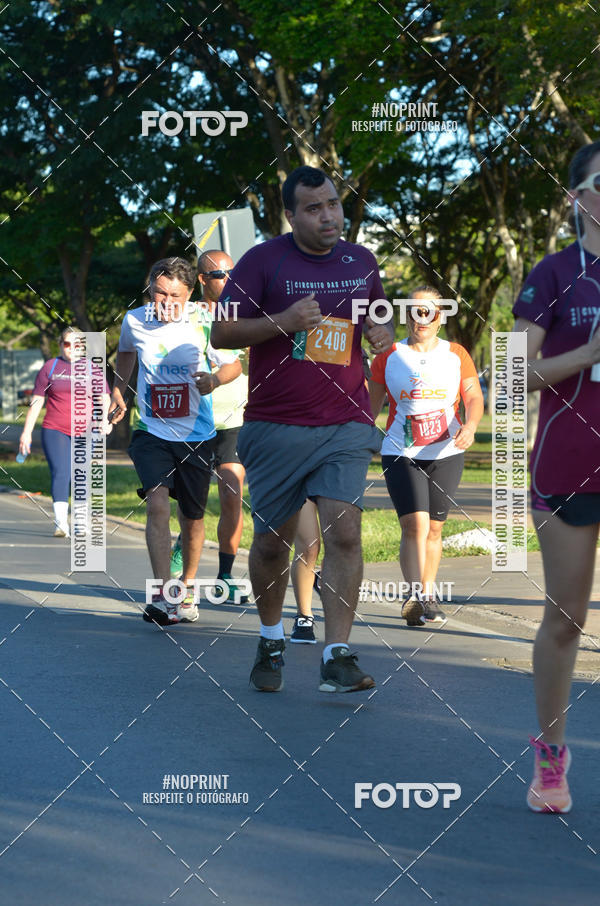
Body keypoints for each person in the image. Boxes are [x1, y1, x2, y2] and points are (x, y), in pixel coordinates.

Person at [211, 164, 392, 693]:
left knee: (345, 531)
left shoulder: (361, 260)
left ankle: (336, 654)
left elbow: (376, 312)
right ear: (291, 216)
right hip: (276, 425)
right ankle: (271, 637)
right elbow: (221, 332)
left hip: (345, 421)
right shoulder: (262, 261)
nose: (329, 216)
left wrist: (381, 329)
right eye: (314, 208)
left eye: (334, 204)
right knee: (273, 544)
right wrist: (283, 322)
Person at [513, 140, 600, 813]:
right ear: (578, 197)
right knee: (566, 619)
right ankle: (550, 758)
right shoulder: (553, 274)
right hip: (569, 466)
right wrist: (589, 353)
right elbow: (513, 374)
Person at [109, 256, 241, 626]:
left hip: (197, 434)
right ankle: (164, 593)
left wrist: (214, 380)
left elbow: (233, 365)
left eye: (175, 296)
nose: (166, 302)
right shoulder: (135, 319)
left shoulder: (204, 319)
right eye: (159, 293)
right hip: (151, 429)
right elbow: (125, 352)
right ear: (150, 288)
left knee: (192, 518)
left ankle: (186, 586)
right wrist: (119, 389)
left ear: (190, 293)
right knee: (156, 503)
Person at [369, 287, 483, 626]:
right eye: (416, 311)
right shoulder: (388, 356)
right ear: (407, 315)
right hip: (400, 451)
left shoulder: (456, 354)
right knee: (414, 524)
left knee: (434, 527)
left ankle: (428, 594)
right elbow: (368, 409)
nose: (423, 318)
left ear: (440, 317)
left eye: (430, 312)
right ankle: (414, 596)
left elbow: (473, 397)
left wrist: (471, 426)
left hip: (447, 451)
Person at [169, 249, 250, 604]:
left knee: (232, 492)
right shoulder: (186, 314)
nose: (229, 280)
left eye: (233, 273)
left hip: (234, 419)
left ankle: (225, 576)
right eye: (220, 275)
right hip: (194, 420)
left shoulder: (245, 313)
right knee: (194, 499)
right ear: (202, 280)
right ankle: (183, 540)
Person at [18, 328, 111, 537]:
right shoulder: (50, 367)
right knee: (61, 472)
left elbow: (103, 398)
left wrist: (105, 420)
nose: (71, 348)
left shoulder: (93, 369)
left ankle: (80, 522)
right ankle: (61, 523)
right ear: (60, 344)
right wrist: (26, 432)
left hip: (86, 430)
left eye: (76, 344)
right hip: (55, 429)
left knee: (81, 473)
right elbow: (37, 401)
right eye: (67, 344)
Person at [289, 499, 322, 643]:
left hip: (339, 484)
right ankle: (304, 616)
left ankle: (321, 578)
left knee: (342, 543)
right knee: (309, 546)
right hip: (302, 485)